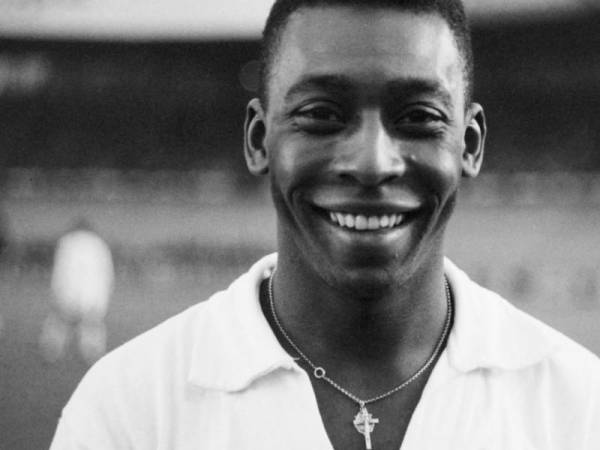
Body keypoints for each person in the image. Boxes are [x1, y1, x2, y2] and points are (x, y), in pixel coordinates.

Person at [50, 0, 600, 448]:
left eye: (418, 117)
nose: (370, 163)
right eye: (321, 114)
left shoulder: (577, 407)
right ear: (259, 140)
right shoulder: (127, 409)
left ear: (471, 144)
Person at [40, 218, 114, 364]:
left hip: (70, 290)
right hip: (93, 292)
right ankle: (92, 355)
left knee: (60, 322)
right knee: (91, 325)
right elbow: (106, 272)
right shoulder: (99, 244)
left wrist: (57, 291)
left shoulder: (68, 242)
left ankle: (51, 352)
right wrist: (105, 294)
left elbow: (61, 270)